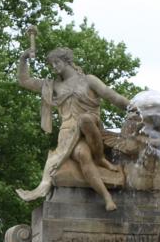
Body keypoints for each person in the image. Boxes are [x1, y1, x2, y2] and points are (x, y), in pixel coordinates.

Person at [16, 42, 131, 211]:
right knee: (82, 154)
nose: (54, 67)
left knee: (85, 119)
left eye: (57, 62)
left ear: (67, 61)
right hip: (68, 134)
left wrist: (132, 107)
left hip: (91, 127)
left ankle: (99, 157)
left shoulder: (88, 80)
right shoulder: (54, 86)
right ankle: (107, 198)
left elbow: (112, 96)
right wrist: (23, 59)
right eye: (51, 64)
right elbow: (24, 80)